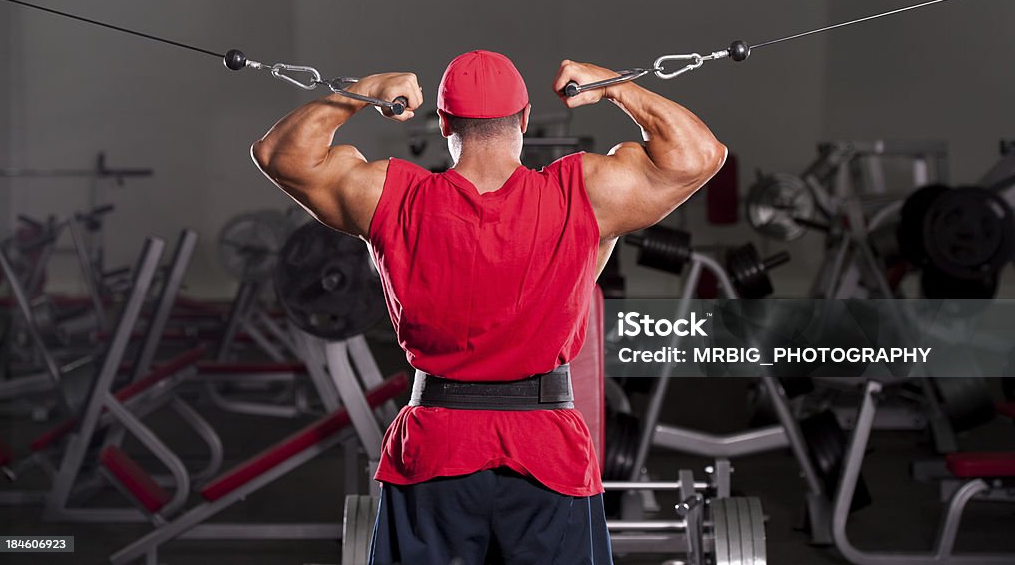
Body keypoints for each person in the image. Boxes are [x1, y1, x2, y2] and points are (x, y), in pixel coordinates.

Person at [251, 50, 726, 565]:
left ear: (444, 121)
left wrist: (361, 92)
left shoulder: (392, 195)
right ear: (524, 118)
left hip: (435, 449)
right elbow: (699, 156)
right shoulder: (581, 193)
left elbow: (280, 155)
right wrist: (614, 86)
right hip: (547, 455)